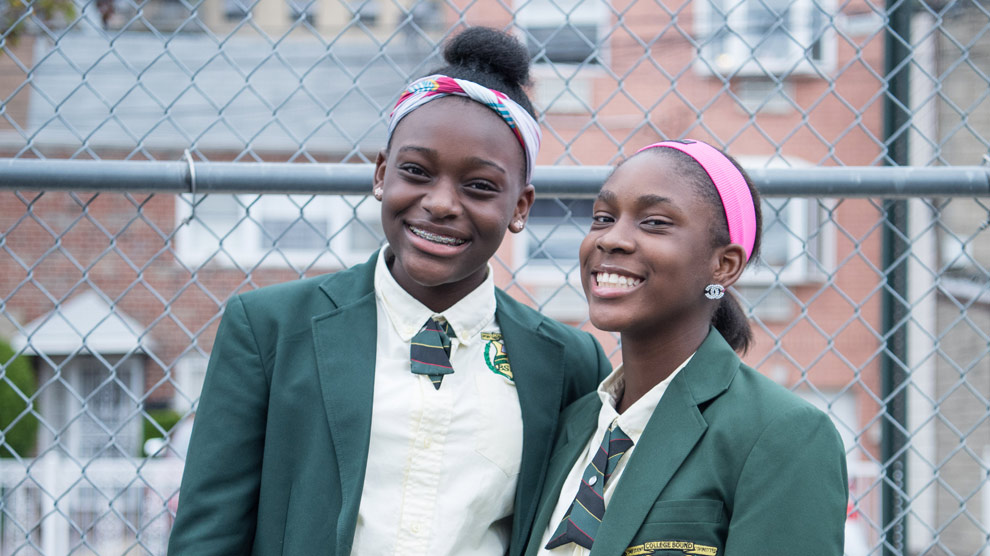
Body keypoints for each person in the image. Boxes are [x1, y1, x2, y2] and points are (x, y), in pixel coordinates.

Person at [167, 27, 611, 556]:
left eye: (480, 186)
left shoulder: (567, 361)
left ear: (520, 207)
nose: (442, 203)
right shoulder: (269, 329)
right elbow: (208, 534)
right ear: (382, 174)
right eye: (416, 172)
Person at [525, 140, 849, 556]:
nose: (611, 239)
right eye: (603, 218)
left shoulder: (782, 434)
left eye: (655, 222)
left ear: (724, 265)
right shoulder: (572, 423)